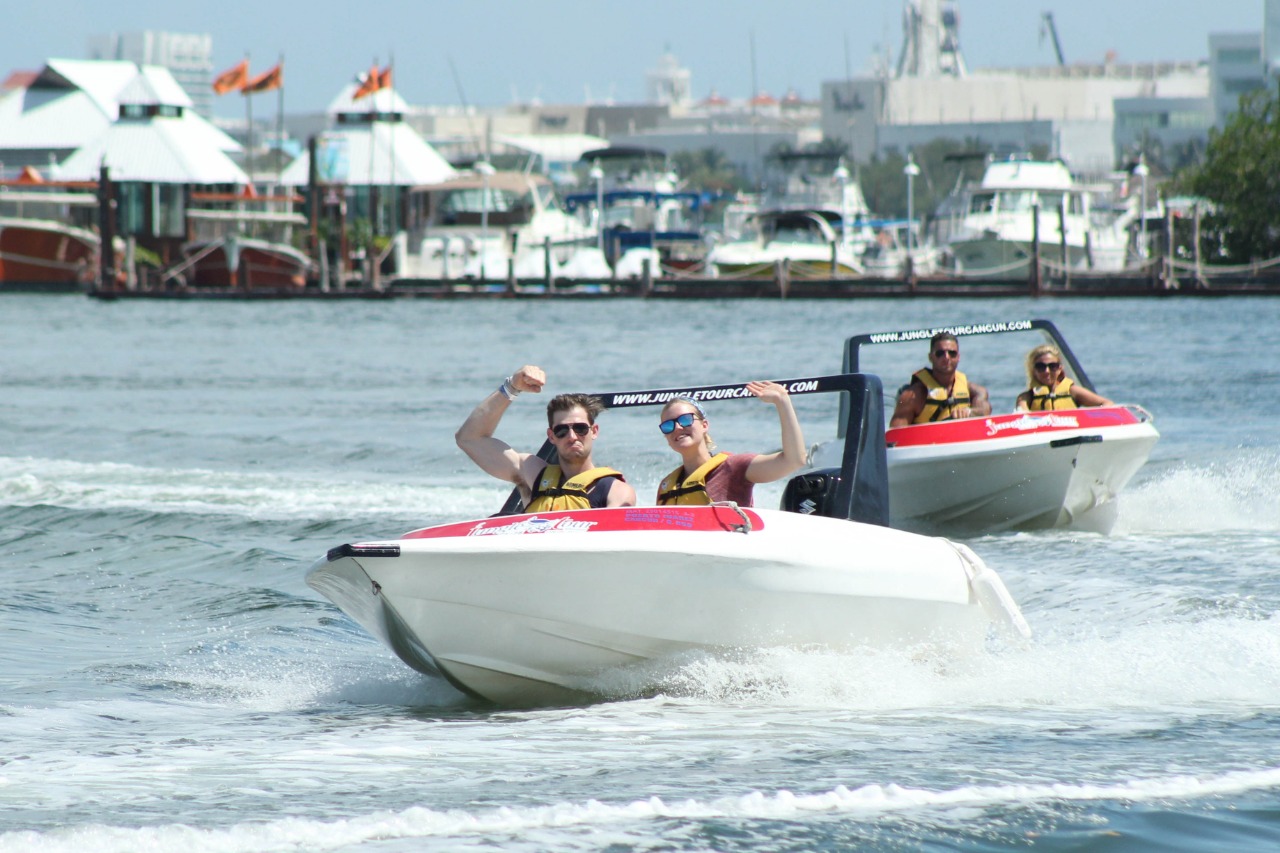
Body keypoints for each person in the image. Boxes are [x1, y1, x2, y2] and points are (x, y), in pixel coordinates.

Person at [455, 365, 637, 511]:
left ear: (594, 431)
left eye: (580, 428)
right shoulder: (532, 474)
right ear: (551, 436)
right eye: (562, 431)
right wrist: (512, 387)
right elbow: (469, 438)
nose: (572, 436)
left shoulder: (617, 492)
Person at [655, 381, 806, 507]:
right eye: (668, 425)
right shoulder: (666, 486)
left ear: (704, 425)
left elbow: (794, 460)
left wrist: (782, 401)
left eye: (685, 420)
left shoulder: (733, 467)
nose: (678, 428)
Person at [889, 332, 991, 427]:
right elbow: (895, 436)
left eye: (952, 353)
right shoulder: (912, 396)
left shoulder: (975, 391)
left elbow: (985, 410)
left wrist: (969, 412)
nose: (946, 357)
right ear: (930, 357)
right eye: (940, 353)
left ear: (958, 357)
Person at [1015, 345, 1114, 411]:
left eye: (1052, 366)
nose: (1047, 371)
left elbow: (1107, 403)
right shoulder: (1025, 398)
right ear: (1033, 370)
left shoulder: (1073, 391)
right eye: (1041, 367)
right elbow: (1021, 418)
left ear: (1060, 368)